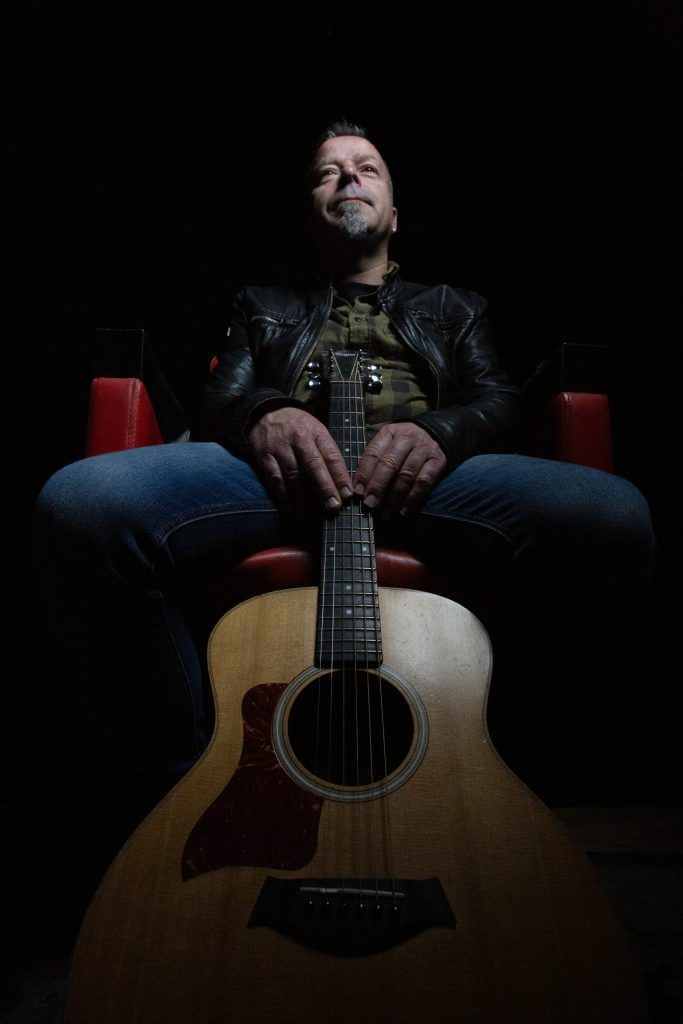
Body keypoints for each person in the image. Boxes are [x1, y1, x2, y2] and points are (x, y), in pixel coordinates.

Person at [33, 120, 656, 837]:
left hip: (429, 482)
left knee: (614, 516)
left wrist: (438, 433)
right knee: (80, 504)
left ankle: (513, 799)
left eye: (367, 168)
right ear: (311, 214)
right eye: (327, 172)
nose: (349, 177)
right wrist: (265, 412)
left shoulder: (455, 306)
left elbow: (499, 401)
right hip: (275, 481)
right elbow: (219, 402)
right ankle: (181, 796)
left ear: (394, 215)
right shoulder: (260, 303)